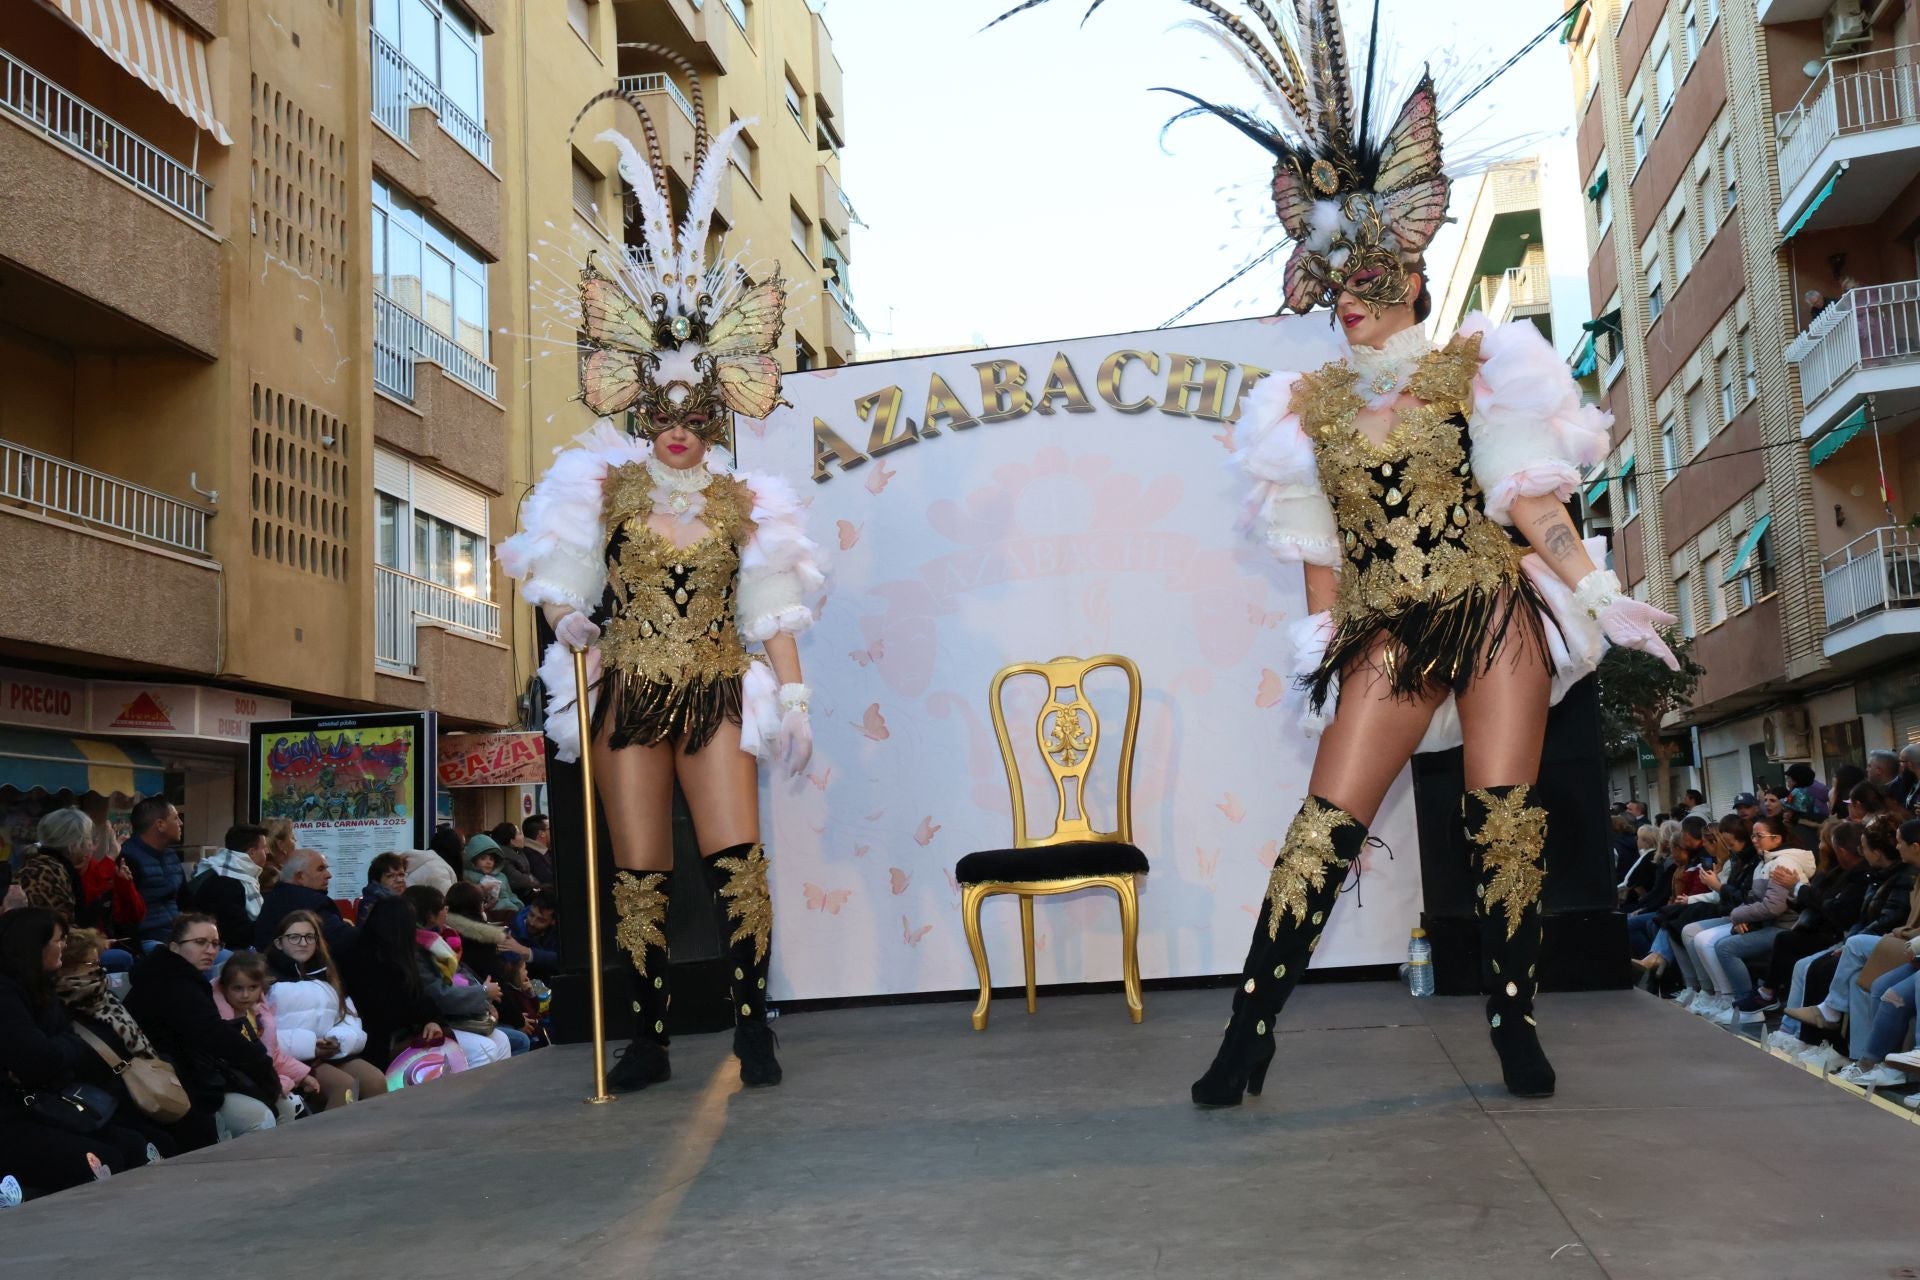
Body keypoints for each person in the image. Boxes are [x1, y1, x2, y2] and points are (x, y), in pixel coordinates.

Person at [499, 65, 822, 1095]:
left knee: (736, 859)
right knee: (637, 870)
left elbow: (771, 598)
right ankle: (645, 1037)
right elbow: (559, 576)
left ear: (716, 407)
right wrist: (569, 619)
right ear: (644, 406)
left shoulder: (743, 498)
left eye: (695, 411)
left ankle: (754, 1025)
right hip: (626, 689)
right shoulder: (600, 485)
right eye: (663, 411)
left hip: (719, 683)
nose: (679, 426)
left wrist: (797, 681)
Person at [0, 909, 167, 1197]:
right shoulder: (6, 994)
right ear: (32, 945)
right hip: (14, 1115)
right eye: (58, 939)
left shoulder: (41, 988)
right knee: (103, 1161)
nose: (63, 945)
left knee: (140, 1144)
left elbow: (66, 1046)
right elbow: (41, 1059)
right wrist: (63, 1047)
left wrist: (60, 1047)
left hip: (52, 1103)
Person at [123, 914, 281, 1142]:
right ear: (175, 947)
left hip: (191, 1079)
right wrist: (261, 1064)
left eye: (215, 944)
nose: (210, 950)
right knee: (260, 1117)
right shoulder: (172, 982)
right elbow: (212, 1033)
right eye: (200, 942)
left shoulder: (178, 976)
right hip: (173, 1087)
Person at [54, 928, 204, 1152]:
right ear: (67, 966)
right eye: (91, 964)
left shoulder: (103, 996)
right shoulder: (59, 1009)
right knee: (159, 1142)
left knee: (196, 1122)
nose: (100, 970)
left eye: (98, 962)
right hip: (108, 1099)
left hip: (139, 1084)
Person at [265, 910, 387, 1109]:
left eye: (309, 937)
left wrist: (338, 1040)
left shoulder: (327, 975)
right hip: (292, 1058)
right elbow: (262, 1032)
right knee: (344, 1087)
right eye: (294, 937)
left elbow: (349, 1018)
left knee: (375, 1080)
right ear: (279, 943)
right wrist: (310, 1045)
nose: (303, 943)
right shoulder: (266, 979)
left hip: (331, 1052)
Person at [397, 885, 512, 1067]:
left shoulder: (439, 940)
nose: (447, 911)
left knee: (503, 1040)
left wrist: (485, 1001)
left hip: (462, 1015)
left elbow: (462, 973)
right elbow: (438, 994)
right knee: (486, 1049)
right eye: (443, 907)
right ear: (430, 916)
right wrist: (482, 993)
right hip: (440, 1020)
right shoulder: (417, 950)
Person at [340, 897, 450, 1072]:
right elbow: (403, 1006)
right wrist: (431, 1020)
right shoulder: (380, 963)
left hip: (391, 1038)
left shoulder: (383, 954)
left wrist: (431, 1020)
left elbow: (417, 1000)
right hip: (382, 1045)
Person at [212, 953, 311, 1124]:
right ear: (224, 988)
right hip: (236, 1085)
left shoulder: (259, 1016)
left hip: (263, 1081)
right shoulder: (219, 1021)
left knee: (288, 1107)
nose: (245, 995)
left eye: (252, 988)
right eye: (237, 988)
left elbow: (274, 1056)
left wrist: (302, 1075)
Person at [443, 881, 537, 1054]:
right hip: (476, 1016)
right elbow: (496, 982)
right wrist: (518, 1020)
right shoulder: (479, 939)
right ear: (478, 907)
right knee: (521, 1040)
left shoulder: (446, 934)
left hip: (462, 1015)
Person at [184, 824, 269, 954]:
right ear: (252, 852)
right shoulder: (227, 882)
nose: (267, 852)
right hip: (220, 950)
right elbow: (236, 933)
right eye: (264, 848)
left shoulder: (219, 870)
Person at [253, 849, 349, 952]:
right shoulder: (313, 902)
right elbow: (342, 941)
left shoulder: (272, 898)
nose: (329, 875)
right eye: (320, 869)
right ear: (300, 877)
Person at [119, 797, 186, 945]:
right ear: (160, 824)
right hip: (147, 939)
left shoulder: (171, 856)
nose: (181, 823)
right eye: (176, 818)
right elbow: (124, 913)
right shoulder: (127, 858)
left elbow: (185, 901)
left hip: (178, 934)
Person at [17, 808, 90, 922]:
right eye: (87, 838)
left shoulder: (39, 863)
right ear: (74, 844)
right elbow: (61, 927)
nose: (90, 844)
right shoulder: (50, 871)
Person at [462, 839, 524, 913]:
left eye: (491, 859)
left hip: (511, 910)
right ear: (474, 861)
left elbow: (510, 894)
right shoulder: (468, 876)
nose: (488, 862)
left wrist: (518, 904)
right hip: (490, 913)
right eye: (483, 858)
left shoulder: (502, 876)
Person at [511, 889, 561, 978]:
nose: (532, 922)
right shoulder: (515, 928)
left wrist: (529, 953)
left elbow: (564, 960)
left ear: (553, 921)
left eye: (541, 920)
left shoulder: (558, 931)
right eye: (531, 915)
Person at [489, 822, 542, 900]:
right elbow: (518, 881)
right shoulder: (504, 858)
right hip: (518, 897)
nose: (523, 837)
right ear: (512, 840)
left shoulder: (518, 852)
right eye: (519, 834)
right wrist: (531, 879)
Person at [357, 852, 409, 922]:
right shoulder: (370, 903)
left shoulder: (408, 899)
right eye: (390, 876)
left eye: (401, 875)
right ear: (377, 881)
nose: (399, 880)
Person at [261, 819, 298, 893]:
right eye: (292, 837)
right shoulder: (274, 876)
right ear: (281, 845)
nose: (296, 840)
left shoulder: (263, 869)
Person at [522, 815, 555, 889]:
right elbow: (550, 879)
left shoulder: (545, 851)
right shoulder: (530, 855)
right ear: (542, 833)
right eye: (550, 829)